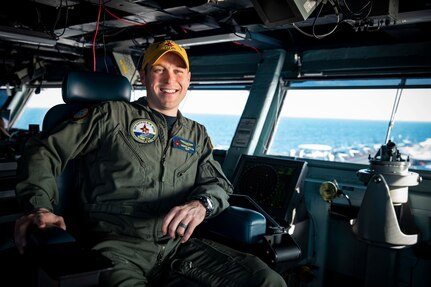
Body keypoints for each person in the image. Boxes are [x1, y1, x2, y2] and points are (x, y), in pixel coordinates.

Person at [14, 40, 287, 287]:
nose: (170, 78)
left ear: (188, 79)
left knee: (267, 280)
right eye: (159, 69)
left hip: (177, 247)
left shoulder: (196, 133)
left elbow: (217, 184)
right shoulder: (112, 115)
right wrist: (39, 206)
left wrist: (201, 205)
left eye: (179, 71)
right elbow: (44, 149)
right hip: (114, 247)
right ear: (143, 76)